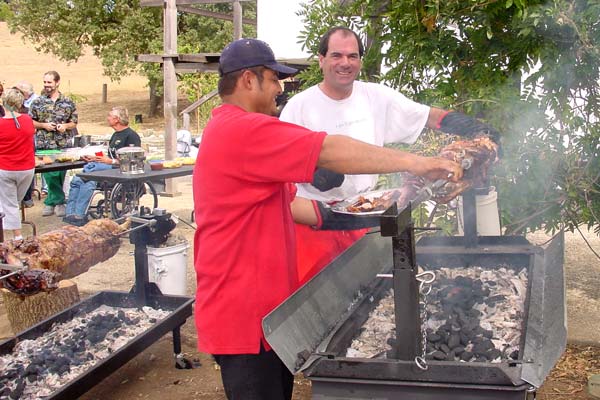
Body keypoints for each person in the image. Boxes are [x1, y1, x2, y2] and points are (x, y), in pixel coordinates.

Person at [192, 38, 463, 400]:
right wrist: (419, 163)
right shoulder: (242, 130)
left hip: (264, 312)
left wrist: (350, 216)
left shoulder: (234, 128)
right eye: (273, 79)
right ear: (248, 80)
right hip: (243, 314)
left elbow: (291, 204)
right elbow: (330, 148)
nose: (279, 88)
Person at [279, 26, 501, 284]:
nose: (345, 63)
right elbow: (282, 166)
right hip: (315, 222)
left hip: (362, 216)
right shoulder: (299, 107)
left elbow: (426, 116)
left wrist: (473, 128)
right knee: (318, 297)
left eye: (352, 56)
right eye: (336, 55)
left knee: (365, 290)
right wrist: (313, 171)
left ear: (360, 61)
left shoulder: (375, 97)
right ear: (321, 59)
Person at [63, 106, 141, 226]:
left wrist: (110, 161)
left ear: (117, 119)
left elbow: (133, 161)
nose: (107, 118)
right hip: (107, 168)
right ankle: (70, 214)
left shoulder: (131, 136)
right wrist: (95, 157)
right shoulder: (115, 135)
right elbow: (110, 155)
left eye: (110, 116)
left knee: (89, 179)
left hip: (120, 171)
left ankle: (79, 215)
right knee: (76, 180)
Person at [29, 70, 78, 218]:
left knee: (60, 173)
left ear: (57, 82)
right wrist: (43, 125)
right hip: (44, 144)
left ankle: (50, 202)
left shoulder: (68, 102)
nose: (46, 85)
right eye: (45, 82)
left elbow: (74, 122)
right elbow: (30, 122)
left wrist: (65, 126)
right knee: (50, 174)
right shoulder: (37, 102)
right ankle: (59, 201)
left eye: (49, 82)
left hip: (62, 143)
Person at [0, 88, 36, 240]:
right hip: (27, 169)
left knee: (10, 204)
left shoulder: (1, 124)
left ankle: (17, 236)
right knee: (14, 202)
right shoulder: (27, 120)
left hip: (6, 169)